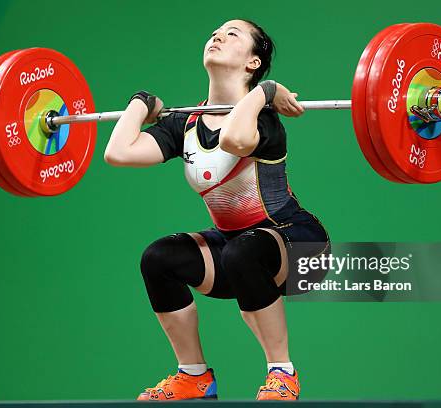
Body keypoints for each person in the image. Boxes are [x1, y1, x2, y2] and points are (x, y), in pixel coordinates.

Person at [104, 19, 329, 401]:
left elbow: (235, 139)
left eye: (233, 34)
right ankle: (194, 375)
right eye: (214, 33)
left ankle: (282, 372)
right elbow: (118, 152)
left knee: (245, 250)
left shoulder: (265, 118)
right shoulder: (185, 124)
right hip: (235, 250)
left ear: (253, 63)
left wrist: (264, 94)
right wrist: (140, 102)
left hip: (301, 245)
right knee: (159, 258)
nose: (217, 36)